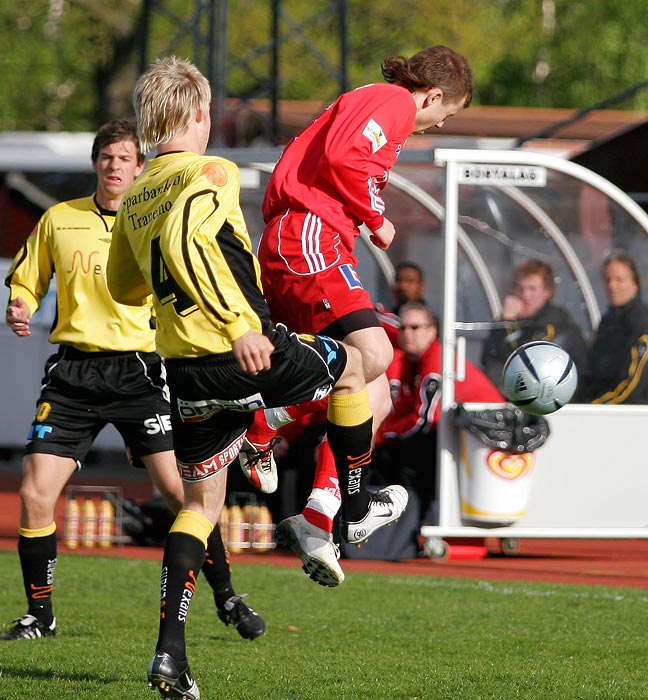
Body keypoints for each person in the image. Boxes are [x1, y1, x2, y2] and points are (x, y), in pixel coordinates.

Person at [105, 56, 408, 699]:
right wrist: (234, 323)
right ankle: (351, 506)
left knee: (200, 507)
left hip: (183, 370)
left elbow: (122, 285)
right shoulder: (211, 169)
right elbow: (190, 243)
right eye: (209, 113)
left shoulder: (135, 197)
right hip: (243, 349)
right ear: (197, 115)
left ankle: (170, 656)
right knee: (365, 363)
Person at [0, 119, 264, 644]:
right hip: (74, 371)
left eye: (125, 158)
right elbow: (28, 280)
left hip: (140, 370)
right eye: (107, 157)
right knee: (34, 492)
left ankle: (227, 594)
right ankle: (41, 614)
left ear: (140, 167)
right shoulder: (60, 218)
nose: (115, 166)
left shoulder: (148, 221)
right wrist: (20, 305)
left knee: (178, 492)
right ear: (95, 163)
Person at [243, 45, 473, 582]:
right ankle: (258, 422)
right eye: (447, 114)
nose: (436, 125)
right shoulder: (393, 100)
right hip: (312, 235)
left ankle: (320, 517)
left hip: (306, 236)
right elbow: (348, 159)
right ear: (434, 95)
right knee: (375, 352)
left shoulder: (374, 100)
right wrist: (376, 217)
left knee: (370, 388)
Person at [374, 303, 504, 525]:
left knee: (407, 454)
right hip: (462, 432)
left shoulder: (435, 362)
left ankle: (417, 525)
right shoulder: (412, 360)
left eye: (415, 328)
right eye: (403, 328)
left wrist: (379, 435)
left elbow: (422, 419)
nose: (407, 334)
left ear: (433, 331)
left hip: (488, 434)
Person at [481, 258, 587, 392]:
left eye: (532, 289)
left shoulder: (555, 324)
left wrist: (507, 325)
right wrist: (504, 324)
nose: (525, 295)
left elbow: (527, 366)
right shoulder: (516, 322)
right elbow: (489, 358)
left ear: (547, 292)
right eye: (520, 288)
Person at [577, 249, 648, 403]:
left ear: (635, 283)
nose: (612, 286)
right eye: (607, 279)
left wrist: (593, 408)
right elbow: (589, 372)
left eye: (619, 279)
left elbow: (631, 385)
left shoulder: (642, 324)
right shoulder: (607, 322)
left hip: (630, 417)